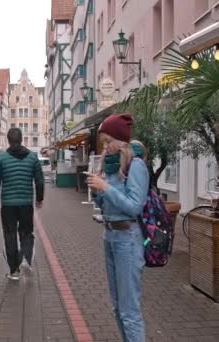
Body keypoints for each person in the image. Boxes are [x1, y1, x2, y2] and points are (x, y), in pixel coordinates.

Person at [86, 113, 149, 342]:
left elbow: (134, 207)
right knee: (116, 307)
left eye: (108, 141)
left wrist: (106, 188)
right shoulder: (110, 166)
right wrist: (97, 190)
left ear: (121, 140)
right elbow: (105, 205)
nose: (105, 147)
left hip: (128, 238)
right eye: (103, 142)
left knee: (129, 310)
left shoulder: (136, 165)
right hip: (110, 235)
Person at [0, 128, 44, 280]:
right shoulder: (33, 157)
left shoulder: (1, 158)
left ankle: (14, 271)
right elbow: (39, 181)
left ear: (8, 140)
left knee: (9, 235)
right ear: (22, 139)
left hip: (8, 205)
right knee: (26, 232)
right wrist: (39, 199)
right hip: (26, 204)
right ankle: (26, 258)